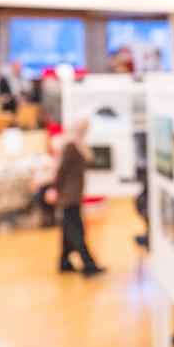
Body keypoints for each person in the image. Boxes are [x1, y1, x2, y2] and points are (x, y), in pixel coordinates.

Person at [45, 118, 105, 277]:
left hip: (72, 193)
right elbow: (62, 171)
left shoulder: (75, 144)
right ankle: (88, 264)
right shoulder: (71, 145)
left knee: (68, 230)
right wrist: (55, 189)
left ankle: (64, 262)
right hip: (68, 195)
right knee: (76, 230)